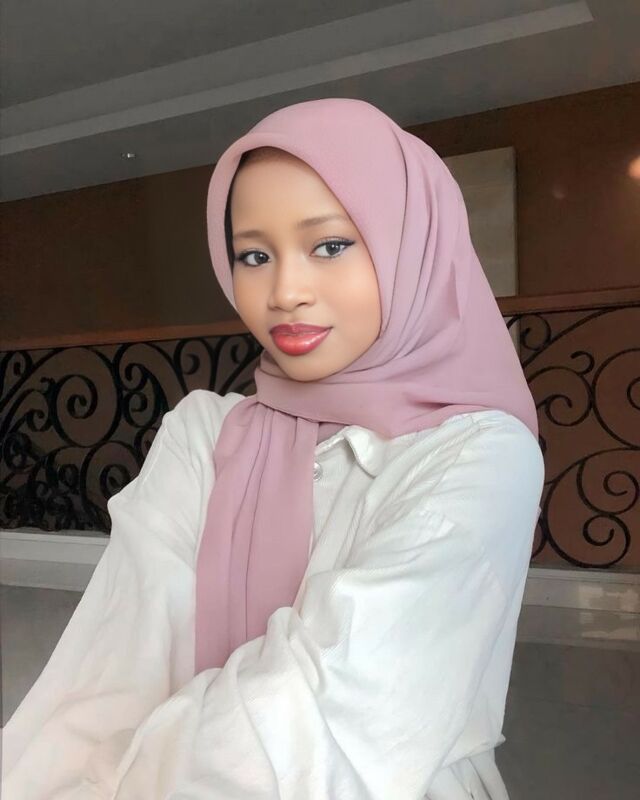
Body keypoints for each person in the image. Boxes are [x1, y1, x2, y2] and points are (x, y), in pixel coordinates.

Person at [1, 98, 544, 799]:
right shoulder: (204, 432)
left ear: (413, 248)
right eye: (254, 256)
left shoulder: (480, 454)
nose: (285, 291)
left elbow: (328, 719)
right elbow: (114, 669)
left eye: (330, 245)